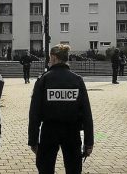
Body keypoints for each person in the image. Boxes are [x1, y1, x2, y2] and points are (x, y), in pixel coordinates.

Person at [28, 44, 94, 174]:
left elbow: (34, 113)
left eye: (49, 58)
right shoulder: (77, 80)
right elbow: (87, 113)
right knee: (73, 168)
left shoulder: (43, 80)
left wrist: (33, 140)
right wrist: (89, 142)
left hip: (49, 131)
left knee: (45, 168)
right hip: (72, 131)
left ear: (54, 57)